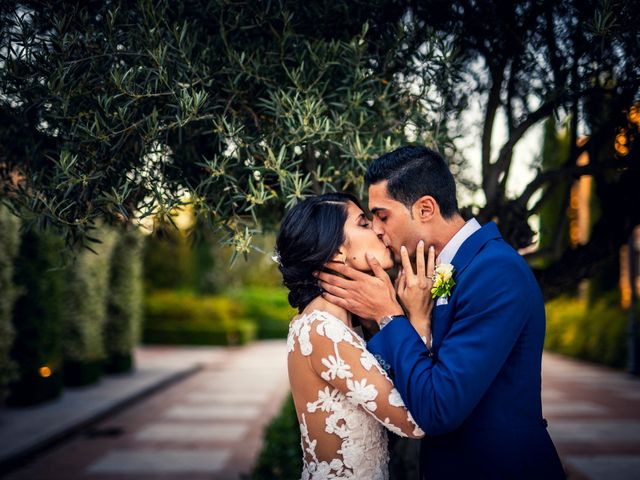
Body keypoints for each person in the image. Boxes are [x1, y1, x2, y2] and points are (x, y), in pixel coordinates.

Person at [316, 146, 566, 479]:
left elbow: (439, 408)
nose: (377, 229)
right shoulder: (440, 271)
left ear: (425, 209)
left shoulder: (495, 272)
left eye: (382, 215)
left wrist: (390, 316)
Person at [276, 192, 434, 480]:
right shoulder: (323, 329)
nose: (376, 228)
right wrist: (418, 320)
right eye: (363, 223)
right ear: (337, 252)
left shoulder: (339, 325)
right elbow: (417, 421)